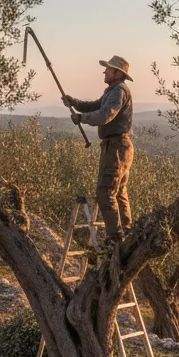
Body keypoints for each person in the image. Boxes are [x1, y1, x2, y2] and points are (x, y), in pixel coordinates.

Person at [63, 54, 134, 244]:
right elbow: (94, 106)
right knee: (118, 191)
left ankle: (116, 238)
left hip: (116, 147)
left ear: (117, 73)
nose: (104, 71)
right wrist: (74, 103)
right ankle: (126, 231)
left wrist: (81, 119)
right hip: (118, 146)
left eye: (108, 69)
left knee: (106, 191)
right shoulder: (112, 91)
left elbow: (104, 116)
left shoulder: (119, 91)